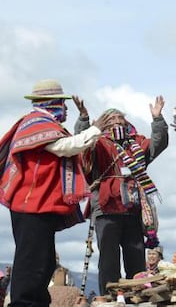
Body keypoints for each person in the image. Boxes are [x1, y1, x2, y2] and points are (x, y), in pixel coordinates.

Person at [0, 79, 110, 306]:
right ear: (51, 102)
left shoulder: (45, 124)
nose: (66, 108)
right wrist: (95, 129)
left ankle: (36, 302)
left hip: (40, 205)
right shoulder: (37, 123)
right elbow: (65, 147)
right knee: (32, 261)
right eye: (62, 102)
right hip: (31, 204)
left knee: (45, 261)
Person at [75, 96, 169, 295]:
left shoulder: (137, 142)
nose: (117, 121)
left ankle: (136, 297)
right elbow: (81, 145)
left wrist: (158, 120)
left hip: (133, 208)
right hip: (106, 208)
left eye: (120, 118)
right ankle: (109, 298)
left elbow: (158, 145)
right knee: (108, 259)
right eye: (112, 118)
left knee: (135, 257)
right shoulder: (98, 142)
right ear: (104, 122)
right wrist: (84, 120)